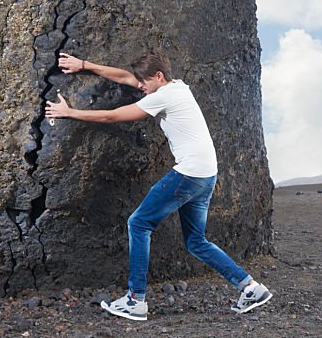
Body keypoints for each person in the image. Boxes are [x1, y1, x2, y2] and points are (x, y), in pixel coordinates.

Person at [44, 50, 272, 321]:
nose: (140, 87)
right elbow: (126, 77)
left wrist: (70, 113)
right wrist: (84, 65)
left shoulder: (164, 96)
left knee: (138, 224)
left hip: (188, 175)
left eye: (145, 82)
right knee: (196, 241)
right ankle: (251, 288)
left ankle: (135, 300)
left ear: (159, 77)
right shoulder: (178, 87)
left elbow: (113, 116)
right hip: (206, 174)